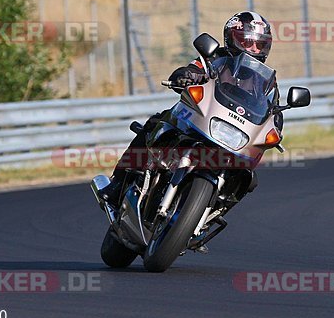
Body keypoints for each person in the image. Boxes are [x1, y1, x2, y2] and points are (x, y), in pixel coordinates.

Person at [98, 11, 278, 203]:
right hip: (198, 119)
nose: (253, 49)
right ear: (231, 38)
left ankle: (212, 210)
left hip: (233, 137)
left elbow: (273, 110)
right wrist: (185, 76)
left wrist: (276, 125)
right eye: (246, 41)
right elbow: (193, 70)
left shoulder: (264, 82)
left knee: (248, 179)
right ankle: (117, 183)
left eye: (259, 44)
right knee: (155, 124)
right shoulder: (215, 59)